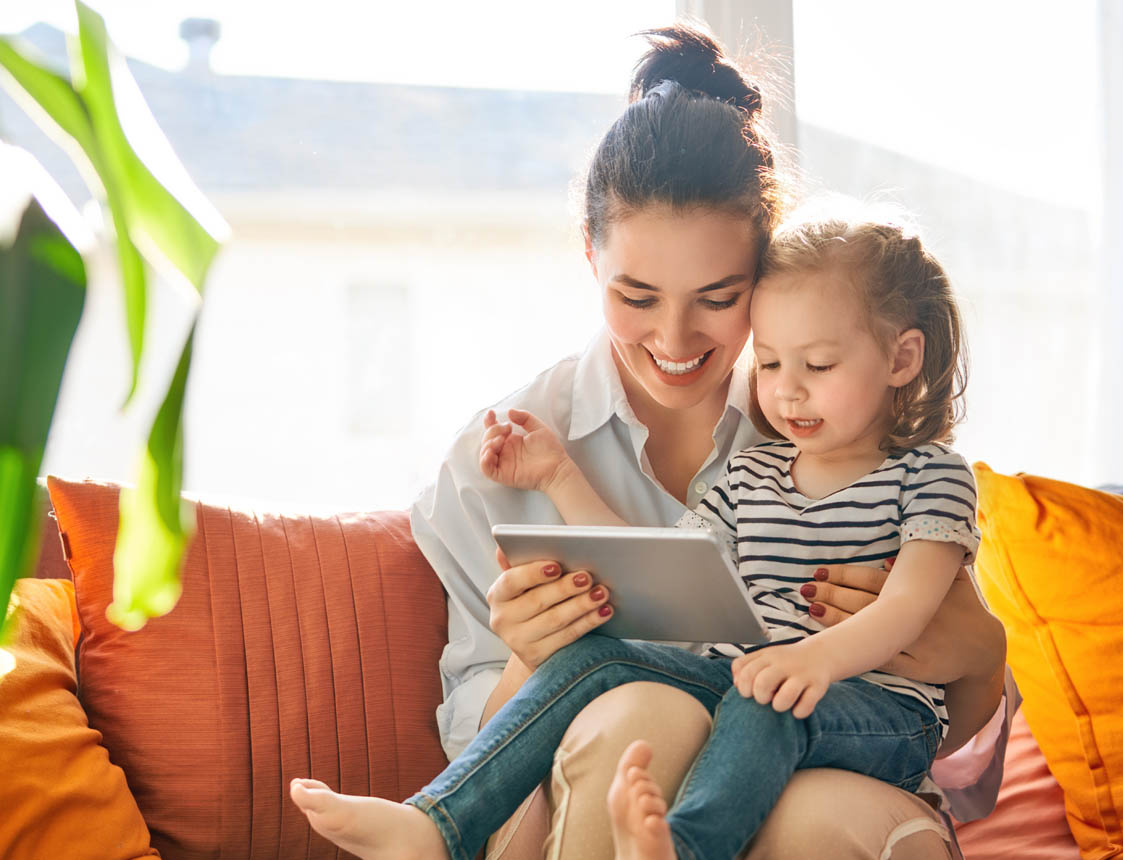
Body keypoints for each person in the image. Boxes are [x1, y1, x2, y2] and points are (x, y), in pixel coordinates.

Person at [289, 23, 1011, 860]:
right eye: (636, 294)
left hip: (830, 757)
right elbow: (647, 582)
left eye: (719, 296)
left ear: (767, 275)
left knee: (805, 795)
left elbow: (965, 763)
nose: (675, 337)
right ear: (590, 256)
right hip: (597, 782)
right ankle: (436, 824)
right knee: (643, 711)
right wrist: (532, 652)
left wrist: (981, 660)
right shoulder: (499, 459)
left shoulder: (850, 428)